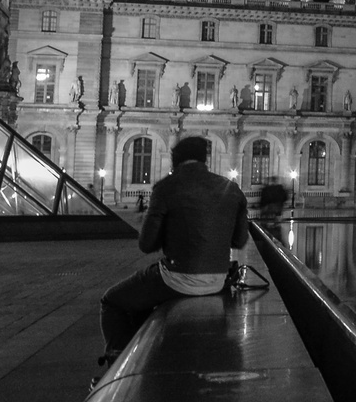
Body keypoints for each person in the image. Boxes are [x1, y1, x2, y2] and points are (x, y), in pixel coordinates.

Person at [96, 137, 250, 379]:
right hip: (219, 278)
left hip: (178, 278)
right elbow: (239, 240)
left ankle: (117, 370)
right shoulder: (231, 189)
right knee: (140, 298)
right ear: (204, 159)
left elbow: (147, 244)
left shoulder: (167, 187)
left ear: (175, 158)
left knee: (112, 302)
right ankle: (141, 356)